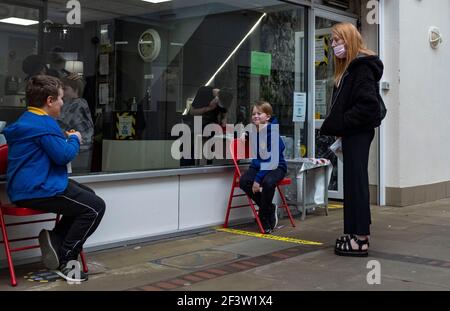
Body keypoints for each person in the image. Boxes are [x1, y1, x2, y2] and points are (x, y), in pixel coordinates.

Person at [2, 75, 106, 282]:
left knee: (89, 197)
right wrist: (74, 139)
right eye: (60, 98)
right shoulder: (44, 125)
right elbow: (63, 155)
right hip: (40, 188)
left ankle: (55, 239)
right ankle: (66, 260)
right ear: (49, 101)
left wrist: (65, 140)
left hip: (23, 188)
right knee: (96, 207)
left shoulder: (26, 121)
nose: (62, 102)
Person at [320, 23, 384, 257]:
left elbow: (367, 107)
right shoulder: (352, 68)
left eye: (337, 40)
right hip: (353, 132)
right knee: (353, 183)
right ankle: (354, 233)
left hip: (357, 132)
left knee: (356, 184)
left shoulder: (361, 69)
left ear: (348, 39)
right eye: (333, 41)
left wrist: (342, 122)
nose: (334, 45)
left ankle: (360, 239)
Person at [239, 101, 287, 234]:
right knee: (243, 181)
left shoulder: (273, 133)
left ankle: (263, 216)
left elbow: (271, 161)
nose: (255, 116)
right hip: (259, 165)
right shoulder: (255, 129)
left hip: (276, 166)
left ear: (268, 117)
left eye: (259, 114)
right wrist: (245, 133)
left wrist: (258, 179)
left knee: (268, 182)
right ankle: (269, 208)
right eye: (253, 114)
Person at [58, 75, 94, 173]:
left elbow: (61, 125)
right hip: (78, 146)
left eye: (65, 89)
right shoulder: (71, 103)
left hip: (81, 148)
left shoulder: (77, 103)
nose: (62, 92)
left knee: (76, 175)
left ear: (76, 90)